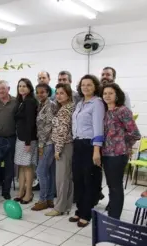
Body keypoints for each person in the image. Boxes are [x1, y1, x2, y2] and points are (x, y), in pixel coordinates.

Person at [102, 83, 140, 219]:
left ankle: (114, 216)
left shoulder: (122, 110)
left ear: (117, 95)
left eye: (110, 93)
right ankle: (111, 208)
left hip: (118, 154)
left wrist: (123, 145)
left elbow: (135, 133)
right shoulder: (106, 112)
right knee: (111, 184)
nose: (107, 96)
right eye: (105, 93)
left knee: (116, 185)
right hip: (106, 153)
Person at [70, 74, 105, 227]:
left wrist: (96, 150)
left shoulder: (97, 103)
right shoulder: (80, 103)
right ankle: (80, 209)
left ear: (95, 87)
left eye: (89, 84)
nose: (85, 87)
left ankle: (86, 213)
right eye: (83, 84)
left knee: (89, 179)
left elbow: (98, 127)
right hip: (77, 144)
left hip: (90, 145)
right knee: (77, 179)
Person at [45, 83, 75, 216]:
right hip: (66, 145)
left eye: (62, 93)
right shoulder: (66, 107)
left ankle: (59, 208)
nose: (58, 96)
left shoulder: (65, 110)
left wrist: (57, 149)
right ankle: (66, 206)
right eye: (57, 93)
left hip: (64, 146)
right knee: (67, 178)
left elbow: (62, 131)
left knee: (62, 179)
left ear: (68, 94)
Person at [32, 83, 57, 211]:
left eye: (43, 92)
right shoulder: (41, 105)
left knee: (41, 171)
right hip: (46, 142)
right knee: (49, 172)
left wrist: (41, 145)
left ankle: (42, 200)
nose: (40, 94)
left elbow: (48, 126)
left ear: (48, 93)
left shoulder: (50, 105)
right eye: (38, 92)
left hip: (48, 143)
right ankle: (49, 199)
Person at [14, 78, 38, 204]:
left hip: (28, 139)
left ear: (29, 88)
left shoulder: (30, 101)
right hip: (20, 138)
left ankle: (29, 193)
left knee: (28, 167)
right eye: (19, 86)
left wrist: (28, 142)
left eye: (24, 86)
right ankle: (21, 191)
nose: (21, 88)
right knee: (21, 166)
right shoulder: (21, 101)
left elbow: (30, 123)